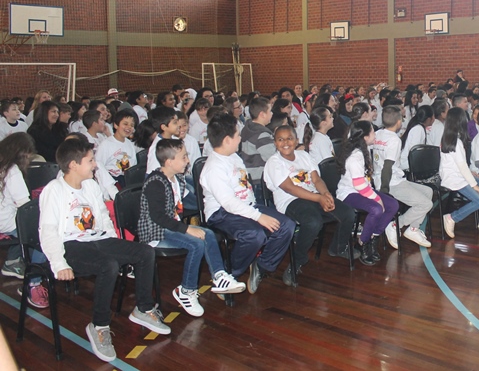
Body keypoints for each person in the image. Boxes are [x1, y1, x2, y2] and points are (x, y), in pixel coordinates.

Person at [39, 136, 170, 363]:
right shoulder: (54, 190)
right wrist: (58, 263)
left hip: (98, 239)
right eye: (90, 161)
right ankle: (99, 325)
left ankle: (143, 308)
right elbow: (47, 230)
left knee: (144, 252)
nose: (95, 164)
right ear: (73, 165)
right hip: (70, 244)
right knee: (107, 266)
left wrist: (113, 243)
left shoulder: (90, 185)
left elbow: (102, 217)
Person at [139, 138, 244, 318]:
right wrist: (187, 229)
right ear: (169, 162)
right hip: (156, 232)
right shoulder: (155, 183)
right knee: (196, 243)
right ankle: (186, 291)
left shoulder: (177, 179)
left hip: (170, 227)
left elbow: (187, 204)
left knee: (207, 233)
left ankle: (219, 275)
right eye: (184, 157)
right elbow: (158, 218)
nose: (188, 160)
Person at [200, 115, 295, 294]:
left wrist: (257, 212)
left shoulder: (234, 157)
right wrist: (259, 217)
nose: (241, 138)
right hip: (221, 213)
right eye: (237, 135)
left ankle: (262, 265)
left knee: (286, 225)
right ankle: (229, 275)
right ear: (227, 140)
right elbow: (228, 203)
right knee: (254, 234)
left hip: (245, 206)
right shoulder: (214, 168)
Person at [265, 125, 358, 284]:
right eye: (280, 139)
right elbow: (290, 188)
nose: (285, 142)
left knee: (348, 213)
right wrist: (318, 199)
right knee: (313, 222)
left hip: (314, 197)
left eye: (289, 138)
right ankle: (298, 260)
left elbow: (316, 180)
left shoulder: (304, 156)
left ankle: (337, 247)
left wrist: (325, 194)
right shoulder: (274, 162)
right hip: (291, 201)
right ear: (275, 143)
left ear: (296, 141)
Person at [336, 121, 399, 264]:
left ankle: (372, 237)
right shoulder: (355, 156)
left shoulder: (366, 150)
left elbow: (365, 183)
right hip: (348, 193)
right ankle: (362, 242)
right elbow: (358, 185)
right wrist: (377, 199)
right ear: (365, 137)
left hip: (363, 190)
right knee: (376, 209)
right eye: (372, 132)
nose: (375, 134)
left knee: (393, 205)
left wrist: (376, 196)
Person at [372, 106, 433, 248]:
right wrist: (384, 192)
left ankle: (413, 228)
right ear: (399, 122)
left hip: (392, 178)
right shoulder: (394, 140)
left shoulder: (378, 133)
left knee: (428, 192)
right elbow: (387, 167)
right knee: (426, 204)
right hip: (390, 183)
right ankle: (396, 224)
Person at [0, 133, 49, 308]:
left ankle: (12, 262)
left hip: (4, 218)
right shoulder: (11, 170)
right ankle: (33, 282)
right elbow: (24, 206)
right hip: (4, 221)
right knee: (41, 233)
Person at [439, 108, 479, 238]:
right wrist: (474, 185)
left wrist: (471, 173)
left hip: (459, 175)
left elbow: (462, 166)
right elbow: (461, 167)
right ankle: (452, 218)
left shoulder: (450, 137)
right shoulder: (455, 142)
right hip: (454, 179)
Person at [95, 109, 138, 187]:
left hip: (127, 180)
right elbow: (98, 168)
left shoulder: (130, 144)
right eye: (125, 124)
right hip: (113, 182)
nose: (129, 127)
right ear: (116, 125)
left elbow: (133, 165)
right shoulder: (106, 144)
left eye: (132, 125)